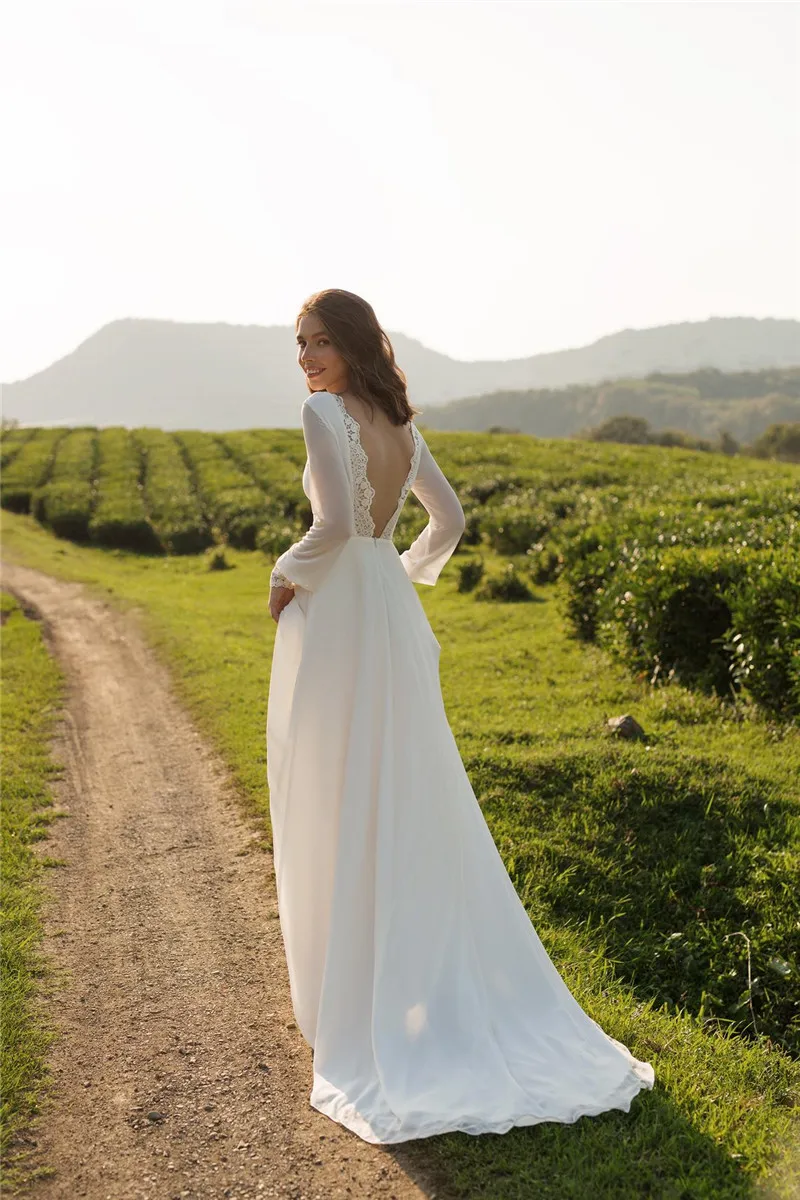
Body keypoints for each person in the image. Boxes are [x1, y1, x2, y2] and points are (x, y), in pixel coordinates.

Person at [266, 289, 654, 1145]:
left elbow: (330, 524)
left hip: (341, 619)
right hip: (390, 619)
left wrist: (284, 574)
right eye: (300, 345)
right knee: (401, 787)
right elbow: (450, 520)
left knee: (337, 785)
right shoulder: (403, 424)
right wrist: (399, 575)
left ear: (355, 344)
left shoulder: (322, 413)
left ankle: (365, 993)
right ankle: (404, 982)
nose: (306, 359)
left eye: (320, 342)